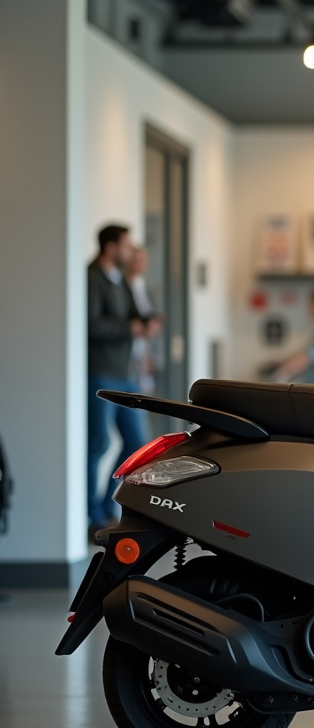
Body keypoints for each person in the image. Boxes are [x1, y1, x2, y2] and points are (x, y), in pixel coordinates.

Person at [87, 225, 160, 537]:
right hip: (102, 372)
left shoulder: (119, 282)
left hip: (126, 374)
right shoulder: (91, 279)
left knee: (137, 446)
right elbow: (92, 325)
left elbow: (134, 316)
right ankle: (93, 517)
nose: (131, 252)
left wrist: (148, 323)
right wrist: (129, 329)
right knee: (98, 444)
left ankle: (107, 505)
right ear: (111, 248)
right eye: (127, 246)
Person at [122, 246, 157, 395]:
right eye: (137, 259)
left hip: (142, 352)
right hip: (126, 353)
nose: (142, 263)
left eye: (144, 259)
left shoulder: (143, 288)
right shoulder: (121, 286)